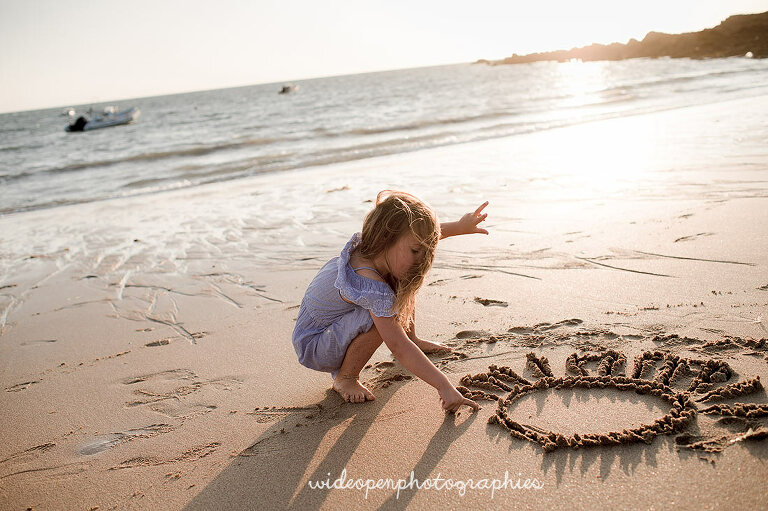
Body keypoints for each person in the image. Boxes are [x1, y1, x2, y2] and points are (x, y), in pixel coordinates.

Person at [292, 190, 488, 412]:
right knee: (383, 310)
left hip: (327, 330)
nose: (421, 258)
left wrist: (458, 227)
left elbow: (416, 237)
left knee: (401, 281)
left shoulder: (373, 248)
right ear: (386, 238)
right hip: (316, 344)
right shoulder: (370, 285)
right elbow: (398, 346)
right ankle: (345, 378)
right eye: (416, 251)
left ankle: (413, 337)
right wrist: (444, 386)